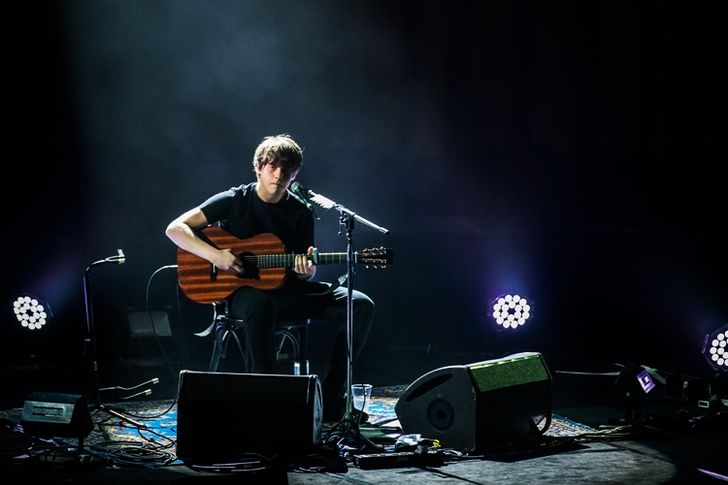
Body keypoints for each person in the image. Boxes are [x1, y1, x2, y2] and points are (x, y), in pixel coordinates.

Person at [165, 134, 375, 422]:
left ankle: (332, 399)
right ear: (259, 168)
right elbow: (176, 229)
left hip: (287, 292)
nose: (279, 174)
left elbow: (301, 267)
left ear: (295, 173)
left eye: (287, 169)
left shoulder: (301, 212)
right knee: (260, 305)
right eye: (273, 166)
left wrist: (308, 271)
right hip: (242, 295)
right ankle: (268, 404)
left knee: (360, 304)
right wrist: (216, 256)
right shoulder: (234, 199)